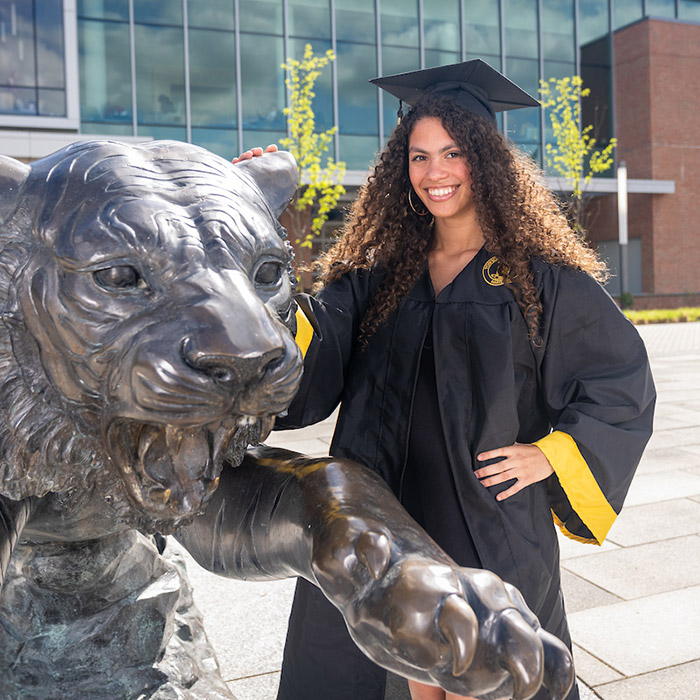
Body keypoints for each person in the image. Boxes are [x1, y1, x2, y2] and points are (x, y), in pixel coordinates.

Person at [246, 60, 655, 700]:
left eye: (452, 153)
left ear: (485, 161)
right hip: (381, 510)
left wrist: (550, 454)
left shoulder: (537, 277)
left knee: (480, 670)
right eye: (418, 156)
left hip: (484, 514)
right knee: (379, 669)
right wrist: (254, 224)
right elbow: (307, 349)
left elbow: (618, 379)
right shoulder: (380, 273)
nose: (434, 173)